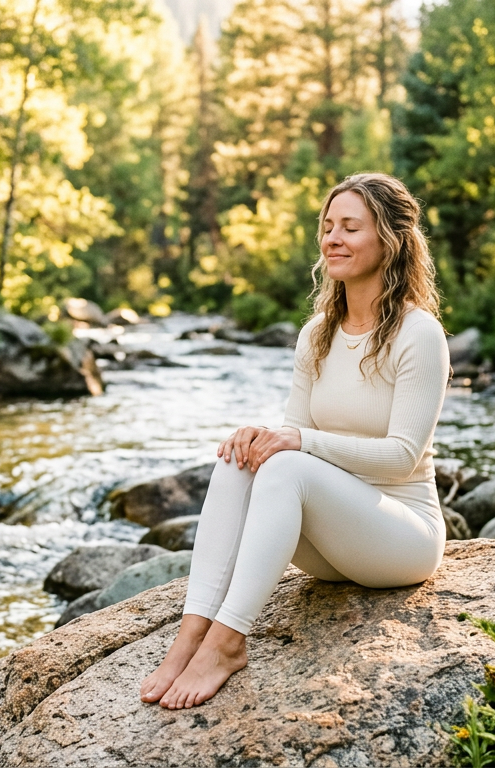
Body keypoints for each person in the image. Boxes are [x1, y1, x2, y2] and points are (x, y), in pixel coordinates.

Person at [139, 172, 452, 710]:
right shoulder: (318, 333)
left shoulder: (417, 333)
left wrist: (296, 441)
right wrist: (264, 439)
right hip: (335, 541)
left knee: (284, 464)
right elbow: (292, 438)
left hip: (401, 536)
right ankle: (192, 633)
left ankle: (229, 641)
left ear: (390, 240)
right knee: (241, 460)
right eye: (328, 226)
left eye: (351, 228)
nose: (332, 238)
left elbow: (402, 459)